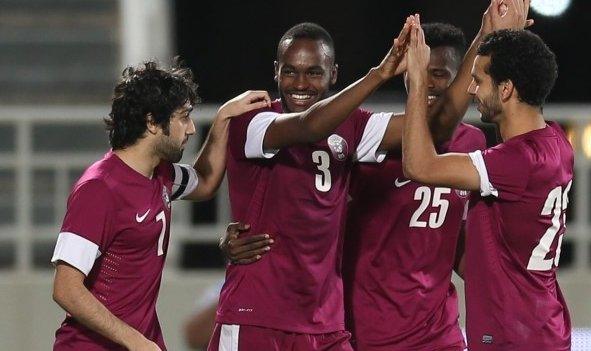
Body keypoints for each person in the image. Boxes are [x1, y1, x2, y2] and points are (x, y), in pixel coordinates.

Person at [209, 20, 414, 350]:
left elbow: (433, 126)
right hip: (257, 316)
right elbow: (309, 126)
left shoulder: (353, 125)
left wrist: (476, 44)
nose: (300, 84)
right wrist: (379, 73)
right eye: (290, 72)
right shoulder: (254, 121)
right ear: (276, 71)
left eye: (314, 72)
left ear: (333, 73)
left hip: (325, 322)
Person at [50, 60, 271, 351]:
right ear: (152, 122)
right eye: (183, 117)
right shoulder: (100, 188)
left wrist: (222, 119)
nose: (191, 128)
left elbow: (205, 181)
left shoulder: (160, 174)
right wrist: (134, 340)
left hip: (143, 342)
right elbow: (66, 289)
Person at [403, 10, 572, 351]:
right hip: (540, 327)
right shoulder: (556, 142)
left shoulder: (516, 162)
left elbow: (419, 166)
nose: (470, 88)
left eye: (479, 80)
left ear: (506, 89)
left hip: (513, 335)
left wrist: (418, 82)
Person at [342, 22, 486, 351]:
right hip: (369, 328)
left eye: (440, 73)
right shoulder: (374, 139)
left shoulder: (474, 142)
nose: (429, 81)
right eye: (421, 70)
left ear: (462, 80)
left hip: (439, 332)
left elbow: (456, 236)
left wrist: (501, 281)